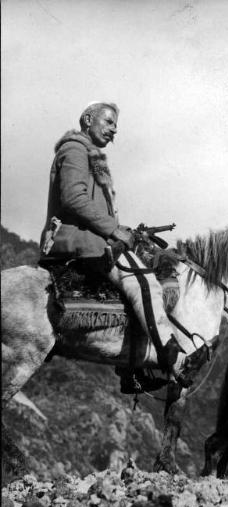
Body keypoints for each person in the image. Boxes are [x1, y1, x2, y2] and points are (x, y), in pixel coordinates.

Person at [39, 102, 190, 388]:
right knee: (144, 281)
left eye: (116, 126)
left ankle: (131, 368)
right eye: (109, 123)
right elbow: (73, 199)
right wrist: (115, 230)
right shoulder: (74, 150)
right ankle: (168, 357)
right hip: (78, 240)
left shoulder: (89, 154)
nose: (114, 131)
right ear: (87, 119)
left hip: (91, 236)